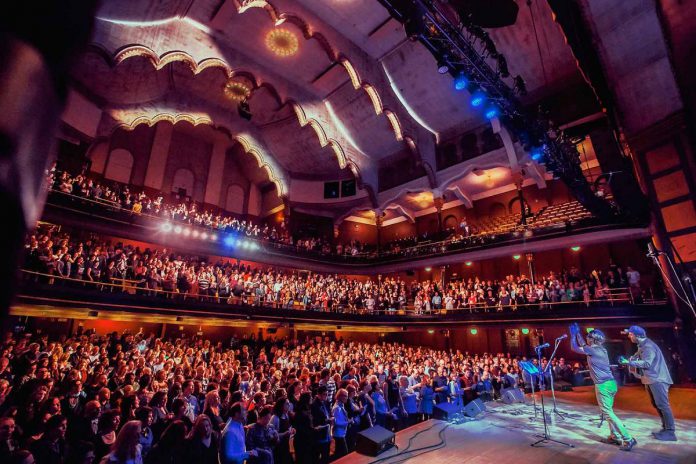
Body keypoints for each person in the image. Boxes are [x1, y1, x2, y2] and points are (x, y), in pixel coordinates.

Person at [569, 323, 636, 451]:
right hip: (611, 384)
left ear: (593, 339)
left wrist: (573, 335)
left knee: (607, 412)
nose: (586, 338)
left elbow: (575, 348)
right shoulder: (600, 349)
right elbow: (583, 345)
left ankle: (628, 438)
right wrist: (578, 334)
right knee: (608, 411)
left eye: (588, 336)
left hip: (603, 386)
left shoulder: (592, 350)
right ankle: (615, 436)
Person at [619, 325, 676, 441]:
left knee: (663, 405)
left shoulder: (648, 346)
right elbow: (638, 357)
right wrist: (631, 360)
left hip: (657, 379)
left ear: (637, 336)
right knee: (657, 405)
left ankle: (670, 432)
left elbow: (647, 363)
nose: (629, 336)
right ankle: (666, 429)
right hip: (651, 379)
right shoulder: (642, 346)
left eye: (630, 334)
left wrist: (629, 363)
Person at [331, 389, 352, 459]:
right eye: (346, 396)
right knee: (344, 454)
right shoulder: (337, 408)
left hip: (341, 433)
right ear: (340, 397)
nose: (347, 398)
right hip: (338, 434)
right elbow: (336, 423)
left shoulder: (341, 405)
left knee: (339, 454)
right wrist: (348, 422)